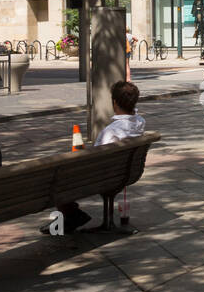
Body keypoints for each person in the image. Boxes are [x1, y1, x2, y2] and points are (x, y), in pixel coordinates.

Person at [42, 82, 145, 233]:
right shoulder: (140, 122)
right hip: (126, 173)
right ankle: (74, 215)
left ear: (114, 102)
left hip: (102, 177)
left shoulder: (110, 131)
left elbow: (96, 158)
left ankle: (71, 215)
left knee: (57, 178)